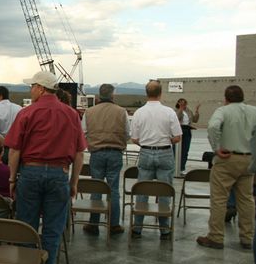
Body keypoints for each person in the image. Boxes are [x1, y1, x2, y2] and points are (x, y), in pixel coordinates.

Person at [4, 71, 86, 264]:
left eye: (32, 86)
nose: (30, 89)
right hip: (59, 175)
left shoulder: (27, 113)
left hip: (30, 173)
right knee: (52, 230)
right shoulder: (71, 114)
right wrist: (74, 181)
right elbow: (79, 153)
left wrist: (12, 178)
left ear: (40, 88)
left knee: (26, 227)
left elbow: (15, 150)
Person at [197, 85, 256, 250]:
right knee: (246, 199)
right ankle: (247, 237)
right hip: (247, 159)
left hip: (227, 158)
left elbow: (213, 126)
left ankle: (216, 236)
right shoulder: (253, 111)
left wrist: (216, 147)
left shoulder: (223, 111)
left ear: (226, 98)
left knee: (219, 199)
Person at [130, 80, 182, 239]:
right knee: (165, 191)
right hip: (165, 152)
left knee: (142, 189)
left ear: (146, 94)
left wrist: (146, 143)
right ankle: (164, 229)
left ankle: (137, 227)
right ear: (160, 94)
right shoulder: (169, 112)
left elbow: (134, 138)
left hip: (146, 152)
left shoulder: (139, 112)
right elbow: (178, 137)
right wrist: (166, 141)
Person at [81, 83, 129, 235]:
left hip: (97, 153)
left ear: (99, 95)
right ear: (113, 95)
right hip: (115, 153)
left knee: (97, 187)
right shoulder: (122, 112)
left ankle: (93, 223)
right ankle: (114, 224)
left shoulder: (89, 112)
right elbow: (128, 133)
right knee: (113, 189)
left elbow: (83, 132)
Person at [175, 98, 200, 175]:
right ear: (178, 103)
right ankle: (175, 167)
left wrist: (197, 111)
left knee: (185, 150)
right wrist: (180, 109)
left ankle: (182, 168)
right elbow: (176, 118)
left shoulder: (188, 111)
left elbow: (195, 120)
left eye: (185, 103)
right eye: (182, 103)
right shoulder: (175, 110)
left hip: (187, 130)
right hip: (179, 131)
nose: (184, 105)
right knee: (177, 151)